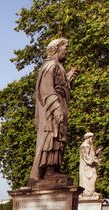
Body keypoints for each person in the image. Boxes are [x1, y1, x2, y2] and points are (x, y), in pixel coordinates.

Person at [29, 38, 78, 186]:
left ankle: (54, 169)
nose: (66, 51)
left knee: (58, 140)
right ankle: (49, 171)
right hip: (51, 112)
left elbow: (59, 86)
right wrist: (56, 107)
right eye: (65, 48)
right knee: (51, 138)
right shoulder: (50, 66)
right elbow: (47, 89)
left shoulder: (58, 66)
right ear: (56, 49)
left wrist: (68, 77)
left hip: (59, 109)